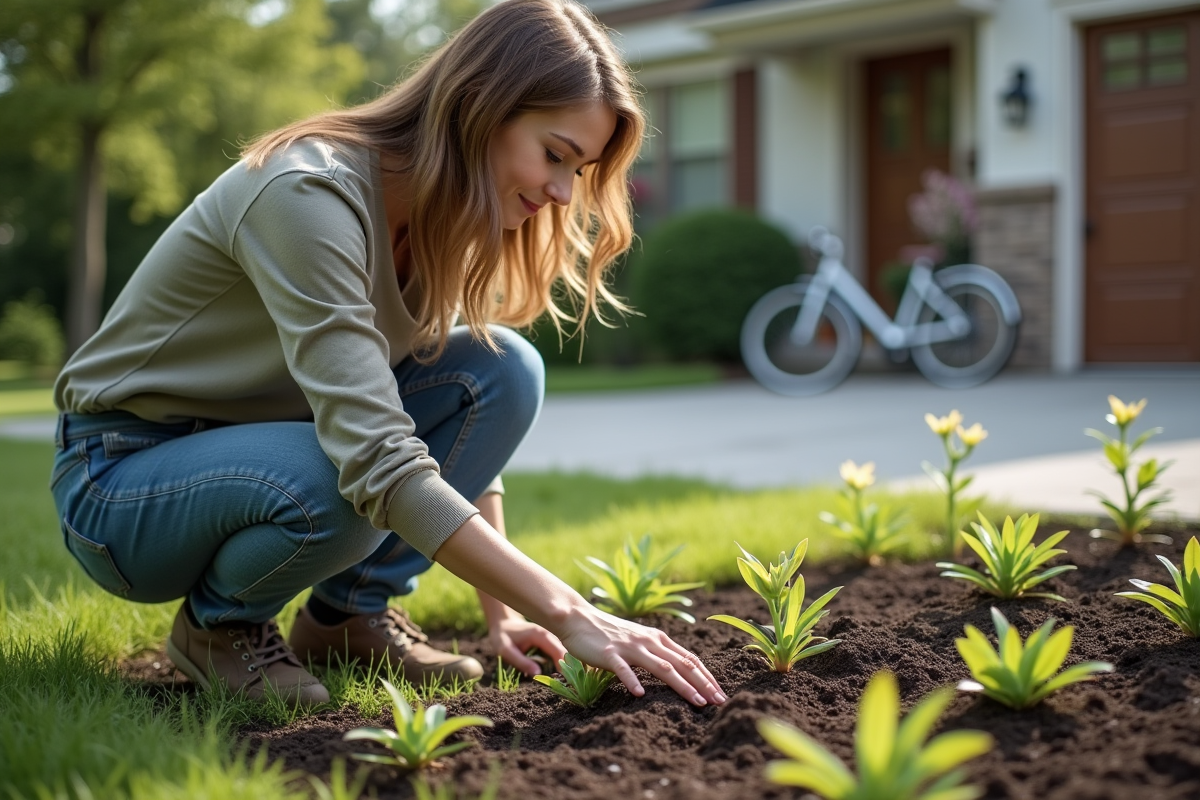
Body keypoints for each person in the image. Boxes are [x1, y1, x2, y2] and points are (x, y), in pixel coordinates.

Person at [49, 0, 726, 710]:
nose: (562, 192)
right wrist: (570, 611)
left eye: (578, 169)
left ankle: (348, 621)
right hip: (122, 480)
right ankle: (220, 630)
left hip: (276, 456)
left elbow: (462, 428)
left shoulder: (441, 216)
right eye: (554, 154)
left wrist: (508, 615)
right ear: (478, 108)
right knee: (347, 478)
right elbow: (375, 455)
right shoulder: (305, 192)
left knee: (500, 371)